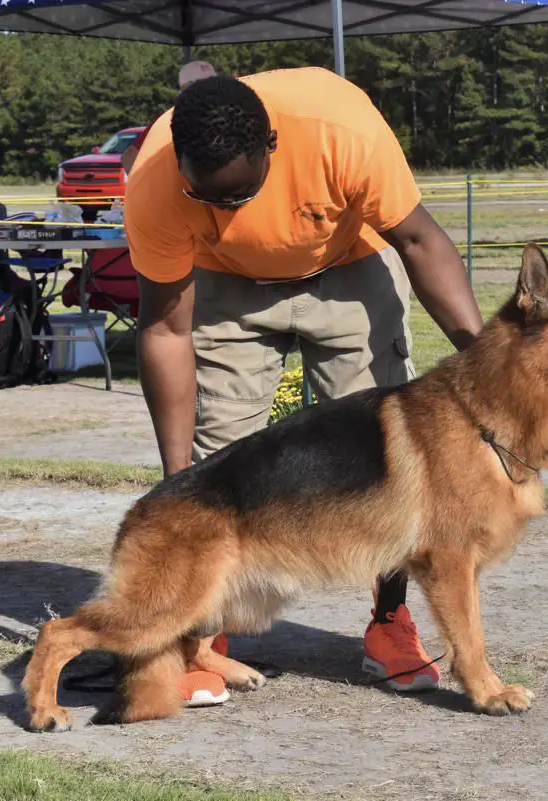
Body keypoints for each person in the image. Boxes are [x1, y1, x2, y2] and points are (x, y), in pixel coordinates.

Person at [124, 67, 486, 706]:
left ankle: (388, 624)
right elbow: (163, 330)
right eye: (207, 196)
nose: (225, 209)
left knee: (383, 466)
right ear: (179, 161)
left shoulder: (339, 127)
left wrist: (484, 363)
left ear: (271, 146)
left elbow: (421, 240)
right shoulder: (154, 179)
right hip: (226, 285)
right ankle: (204, 635)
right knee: (219, 455)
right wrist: (176, 486)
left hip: (348, 267)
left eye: (238, 194)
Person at [120, 61, 217, 176]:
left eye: (213, 83)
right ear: (185, 88)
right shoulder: (168, 120)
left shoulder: (221, 115)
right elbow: (129, 156)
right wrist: (151, 190)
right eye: (202, 84)